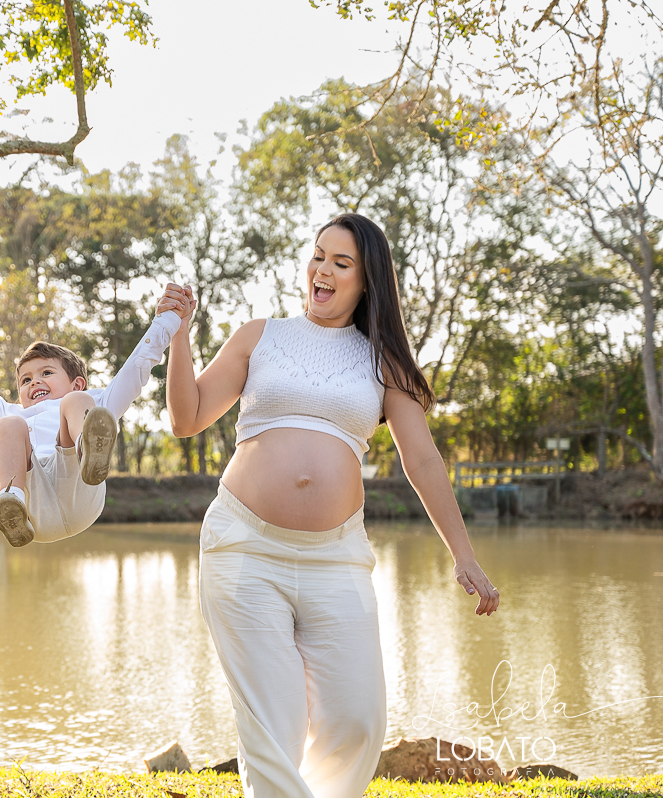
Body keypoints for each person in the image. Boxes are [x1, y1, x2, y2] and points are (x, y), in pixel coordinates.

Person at [165, 213, 500, 798]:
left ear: (366, 281)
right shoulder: (259, 335)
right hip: (244, 547)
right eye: (319, 255)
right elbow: (186, 418)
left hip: (336, 558)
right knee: (275, 724)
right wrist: (179, 335)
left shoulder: (383, 362)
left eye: (340, 263)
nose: (322, 269)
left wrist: (463, 555)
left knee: (358, 720)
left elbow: (422, 461)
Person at [0, 286, 194, 547]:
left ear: (77, 382)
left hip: (79, 484)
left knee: (77, 404)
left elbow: (137, 367)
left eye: (46, 373)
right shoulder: (12, 412)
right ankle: (11, 502)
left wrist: (166, 321)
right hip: (32, 508)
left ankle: (89, 451)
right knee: (6, 425)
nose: (34, 382)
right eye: (26, 379)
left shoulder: (92, 400)